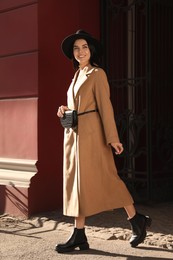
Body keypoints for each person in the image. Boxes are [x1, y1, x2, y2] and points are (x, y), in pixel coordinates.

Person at [56, 29, 152, 253]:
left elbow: (105, 108)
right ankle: (79, 234)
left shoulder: (97, 74)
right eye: (76, 48)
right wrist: (64, 109)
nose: (80, 51)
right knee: (76, 185)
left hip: (92, 137)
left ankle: (136, 219)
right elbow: (78, 106)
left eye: (85, 47)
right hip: (75, 137)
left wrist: (113, 139)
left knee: (108, 179)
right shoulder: (77, 75)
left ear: (91, 51)